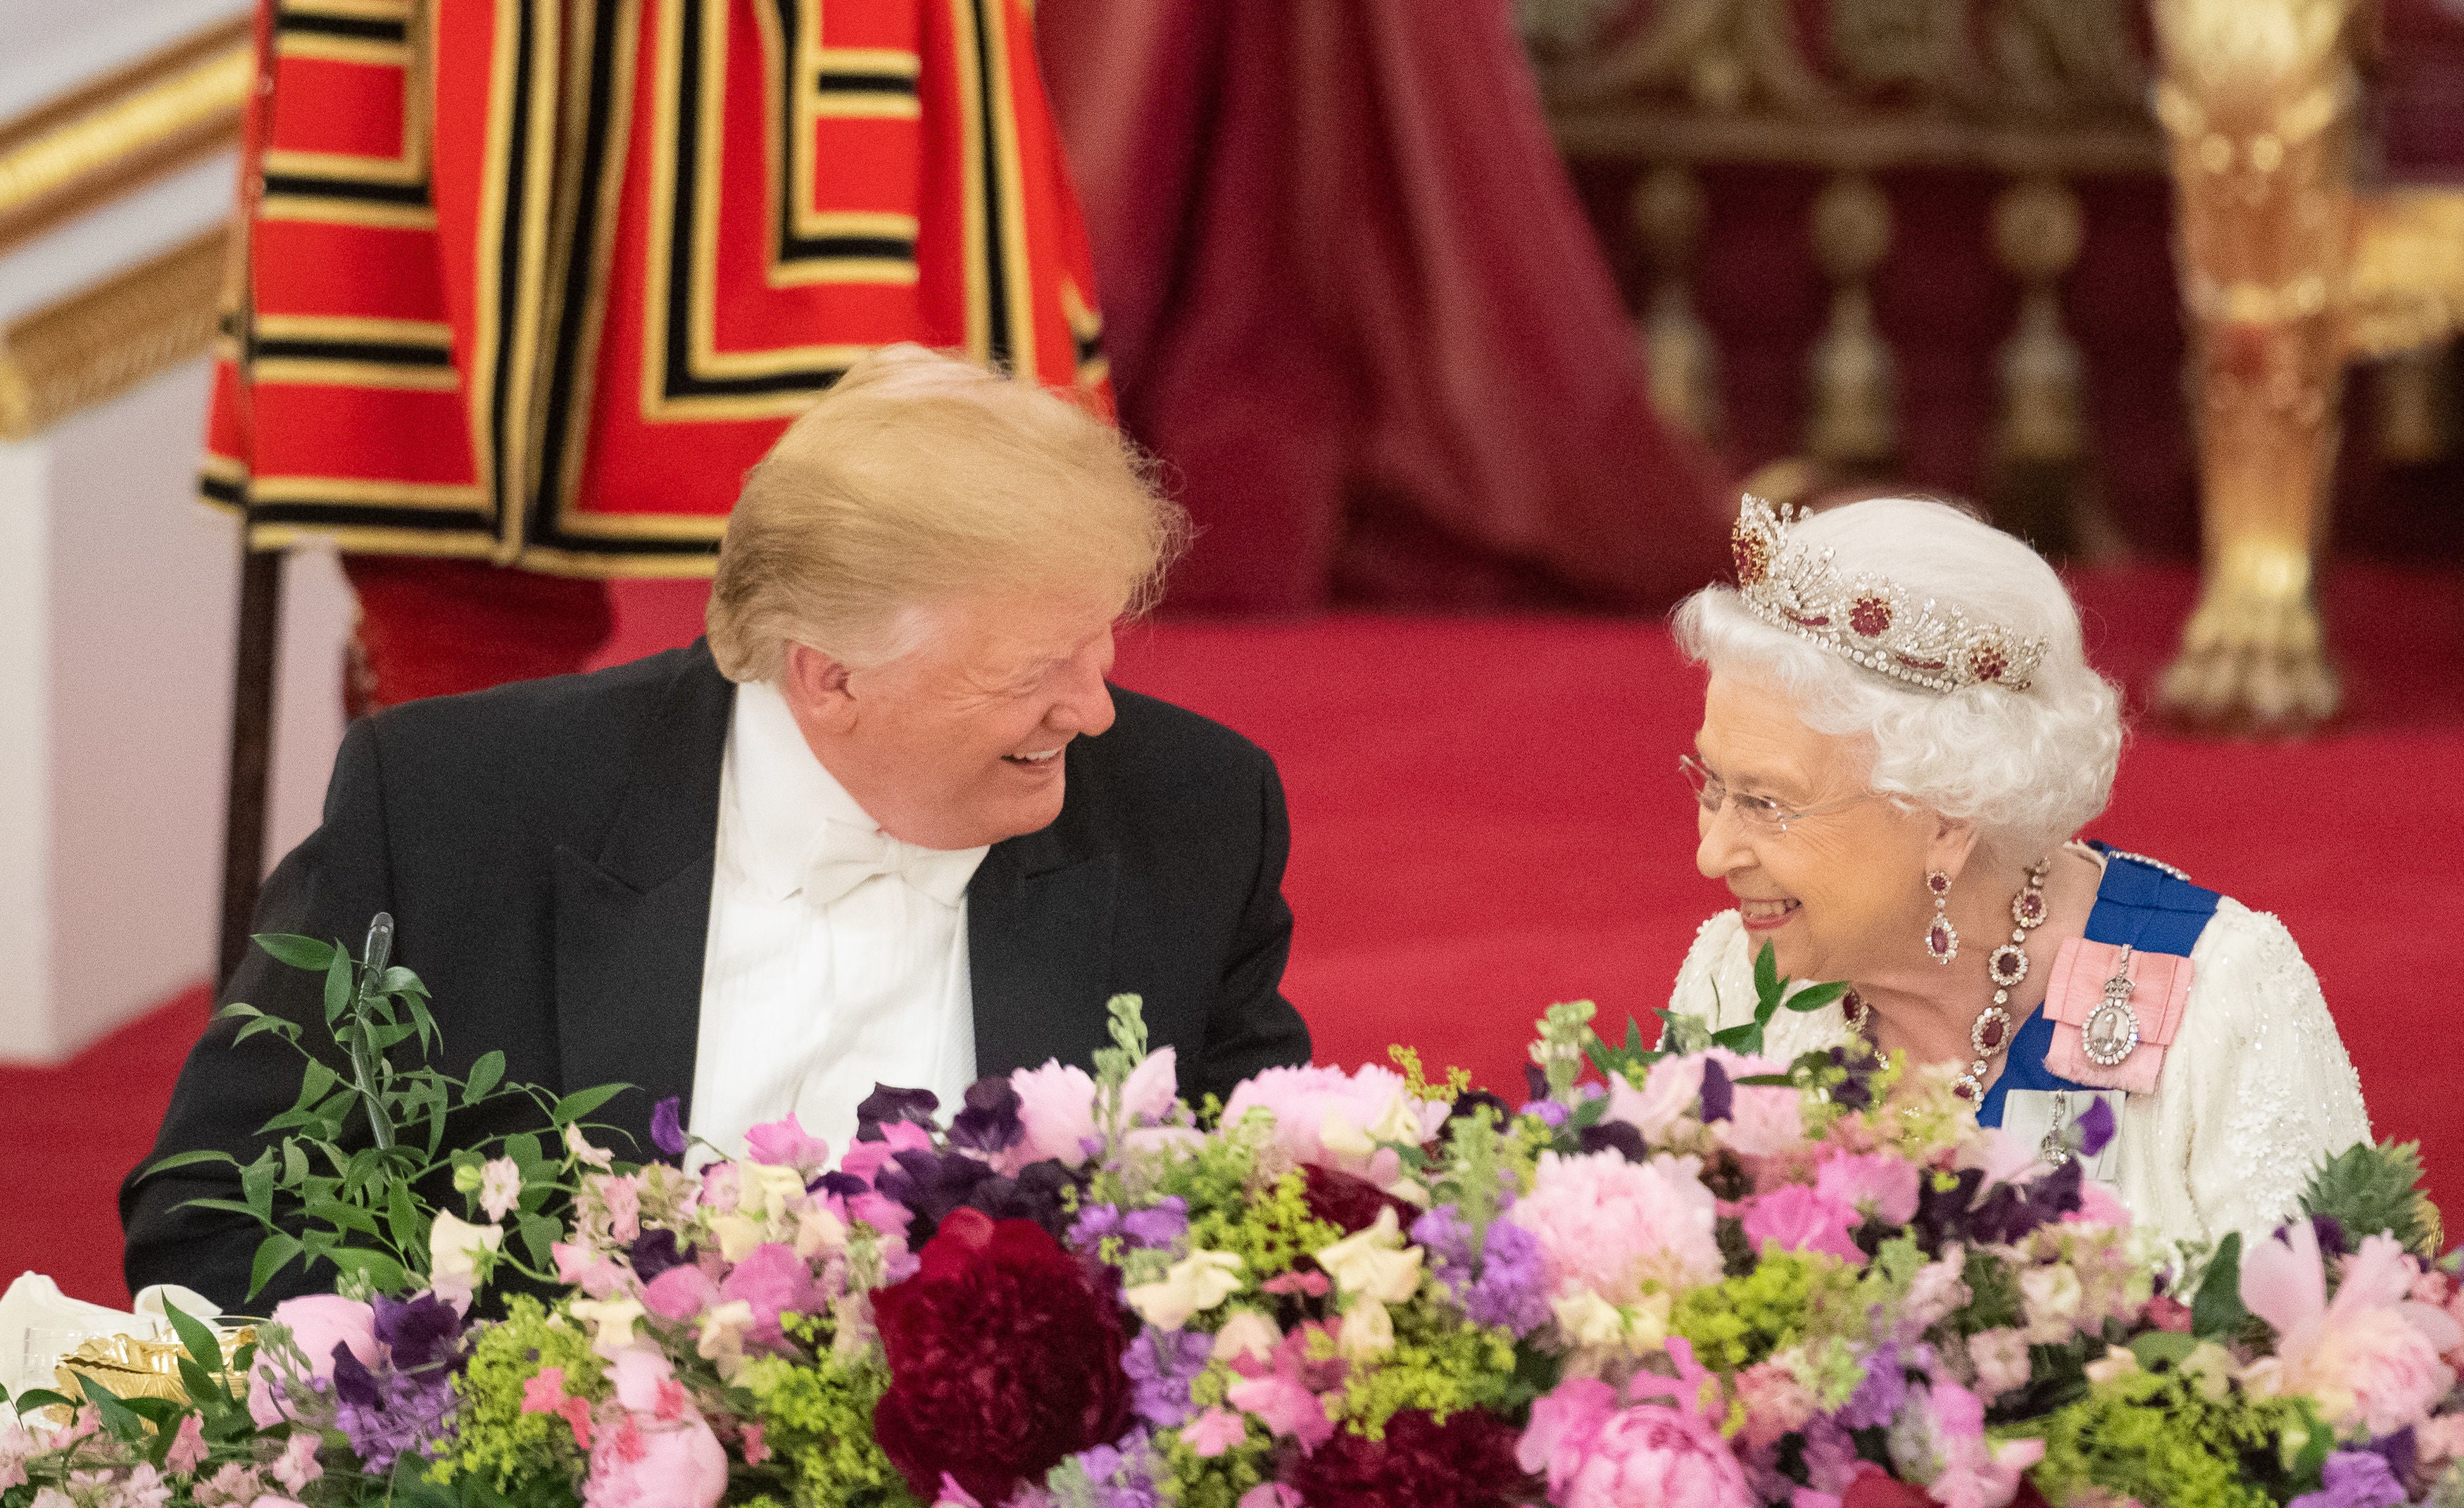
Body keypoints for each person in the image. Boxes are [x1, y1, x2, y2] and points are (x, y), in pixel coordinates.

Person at [128, 346, 1311, 1309]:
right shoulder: (457, 806)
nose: (1093, 707)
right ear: (829, 678)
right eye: (1037, 671)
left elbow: (1267, 1224)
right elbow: (219, 1209)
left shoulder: (1190, 812)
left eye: (1101, 643)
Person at [1666, 494, 2369, 1248]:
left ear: (1943, 818)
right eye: (1712, 784)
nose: (1712, 853)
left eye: (1766, 802)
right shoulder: (1735, 980)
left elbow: (2321, 1344)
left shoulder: (2220, 994)